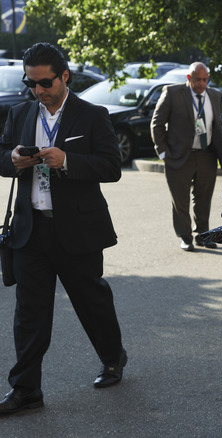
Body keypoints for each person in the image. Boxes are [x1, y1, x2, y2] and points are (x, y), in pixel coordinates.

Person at [0, 42, 127, 415]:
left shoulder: (91, 115)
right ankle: (26, 389)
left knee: (92, 301)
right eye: (31, 83)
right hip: (30, 231)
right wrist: (12, 159)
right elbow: (2, 155)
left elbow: (111, 167)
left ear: (64, 77)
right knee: (29, 312)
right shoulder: (20, 113)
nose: (38, 90)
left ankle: (112, 358)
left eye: (45, 83)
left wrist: (68, 160)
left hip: (77, 230)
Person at [151, 62, 222, 250]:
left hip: (207, 155)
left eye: (205, 80)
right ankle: (185, 236)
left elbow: (218, 127)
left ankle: (203, 234)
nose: (201, 84)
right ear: (189, 78)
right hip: (178, 156)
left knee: (204, 198)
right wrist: (163, 152)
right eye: (198, 79)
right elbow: (157, 124)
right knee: (180, 200)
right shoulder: (173, 93)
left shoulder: (215, 96)